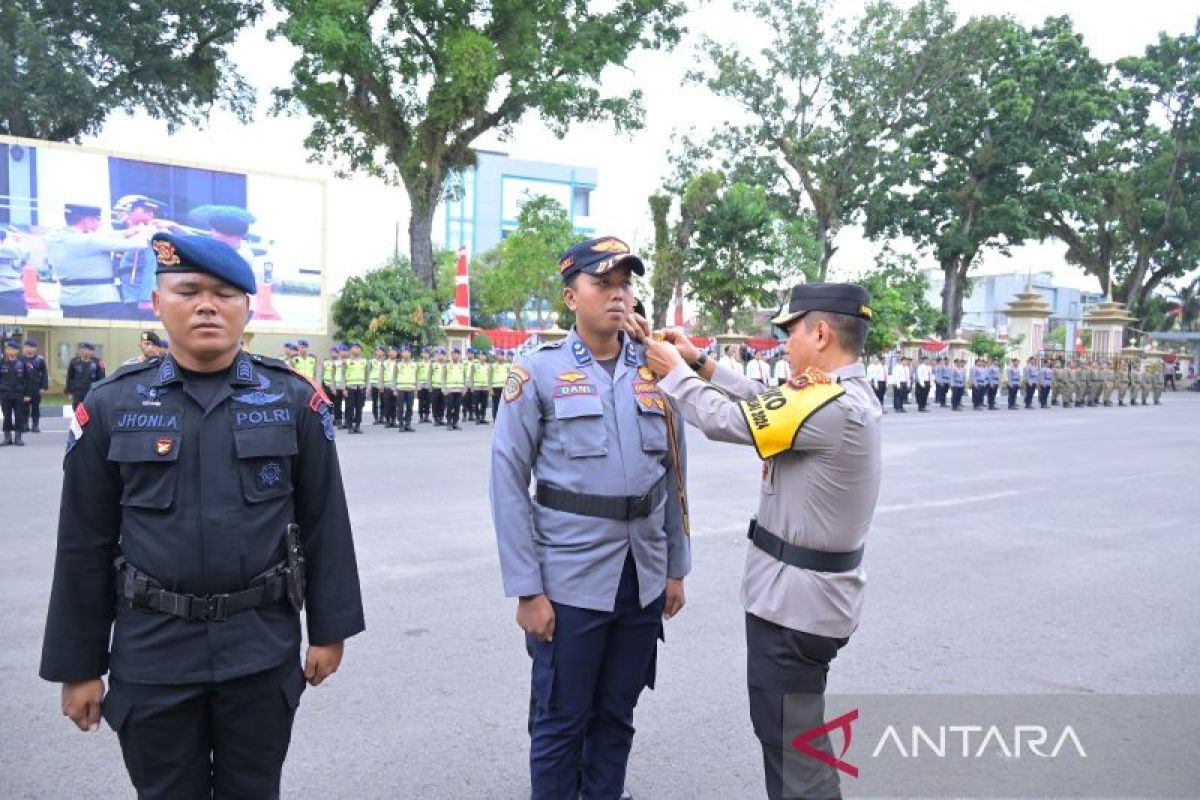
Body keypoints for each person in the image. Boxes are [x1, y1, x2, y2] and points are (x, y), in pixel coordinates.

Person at [39, 232, 365, 799]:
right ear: (158, 304)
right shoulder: (113, 406)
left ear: (247, 308)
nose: (207, 305)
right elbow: (83, 543)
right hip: (152, 652)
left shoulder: (293, 400)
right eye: (188, 291)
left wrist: (329, 630)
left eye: (224, 293)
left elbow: (324, 522)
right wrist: (79, 666)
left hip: (259, 650)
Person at [641, 282, 881, 800]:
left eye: (790, 330)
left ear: (820, 333)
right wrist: (701, 364)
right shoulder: (832, 393)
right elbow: (765, 403)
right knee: (790, 742)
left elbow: (728, 419)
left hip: (796, 610)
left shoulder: (832, 403)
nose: (784, 343)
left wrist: (674, 374)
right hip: (803, 603)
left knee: (794, 753)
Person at [490, 236, 689, 800]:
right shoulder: (537, 373)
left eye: (625, 284)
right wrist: (527, 590)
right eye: (603, 284)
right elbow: (507, 484)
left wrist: (676, 566)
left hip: (642, 574)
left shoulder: (657, 370)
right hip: (570, 578)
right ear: (570, 297)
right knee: (561, 717)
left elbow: (674, 476)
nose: (618, 295)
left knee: (617, 713)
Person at [45, 203, 146, 319]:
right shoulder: (90, 241)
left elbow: (100, 237)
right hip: (100, 301)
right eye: (97, 220)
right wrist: (145, 229)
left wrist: (125, 233)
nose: (99, 224)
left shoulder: (52, 239)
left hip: (69, 301)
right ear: (87, 221)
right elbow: (139, 243)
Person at [1, 339, 34, 446]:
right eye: (7, 349)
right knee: (7, 416)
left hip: (19, 394)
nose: (9, 350)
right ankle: (7, 437)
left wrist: (28, 394)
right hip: (5, 394)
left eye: (12, 349)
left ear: (17, 351)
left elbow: (29, 380)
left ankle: (18, 437)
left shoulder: (23, 363)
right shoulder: (2, 362)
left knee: (19, 416)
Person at [66, 342, 106, 409]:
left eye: (87, 350)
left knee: (91, 411)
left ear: (92, 352)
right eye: (83, 349)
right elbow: (70, 377)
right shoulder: (74, 361)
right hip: (78, 392)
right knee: (77, 411)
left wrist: (100, 392)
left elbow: (101, 378)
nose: (84, 351)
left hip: (91, 392)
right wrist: (69, 392)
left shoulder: (98, 362)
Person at [21, 338, 49, 432]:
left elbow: (44, 373)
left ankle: (35, 425)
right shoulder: (20, 359)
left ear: (35, 349)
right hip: (24, 388)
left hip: (36, 388)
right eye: (27, 346)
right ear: (24, 348)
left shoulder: (39, 360)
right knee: (24, 407)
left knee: (35, 408)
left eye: (31, 347)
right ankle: (25, 424)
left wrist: (43, 387)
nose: (28, 349)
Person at [0, 228, 28, 316]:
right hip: (12, 292)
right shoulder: (14, 247)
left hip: (12, 292)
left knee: (16, 326)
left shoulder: (15, 249)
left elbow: (23, 257)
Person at [342, 342, 368, 434]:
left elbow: (367, 375)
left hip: (361, 387)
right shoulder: (346, 361)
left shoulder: (364, 361)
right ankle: (349, 426)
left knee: (359, 407)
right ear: (350, 350)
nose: (356, 349)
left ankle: (357, 426)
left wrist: (367, 387)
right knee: (349, 407)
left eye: (357, 348)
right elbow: (343, 375)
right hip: (350, 387)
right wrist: (343, 388)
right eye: (354, 347)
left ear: (360, 350)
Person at [394, 347, 418, 432]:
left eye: (408, 352)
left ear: (410, 353)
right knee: (400, 407)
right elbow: (394, 377)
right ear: (401, 354)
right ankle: (401, 424)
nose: (406, 354)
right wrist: (394, 389)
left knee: (409, 407)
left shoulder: (414, 364)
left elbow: (417, 376)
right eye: (404, 352)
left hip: (411, 389)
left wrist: (416, 388)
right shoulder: (398, 364)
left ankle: (408, 424)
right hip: (400, 388)